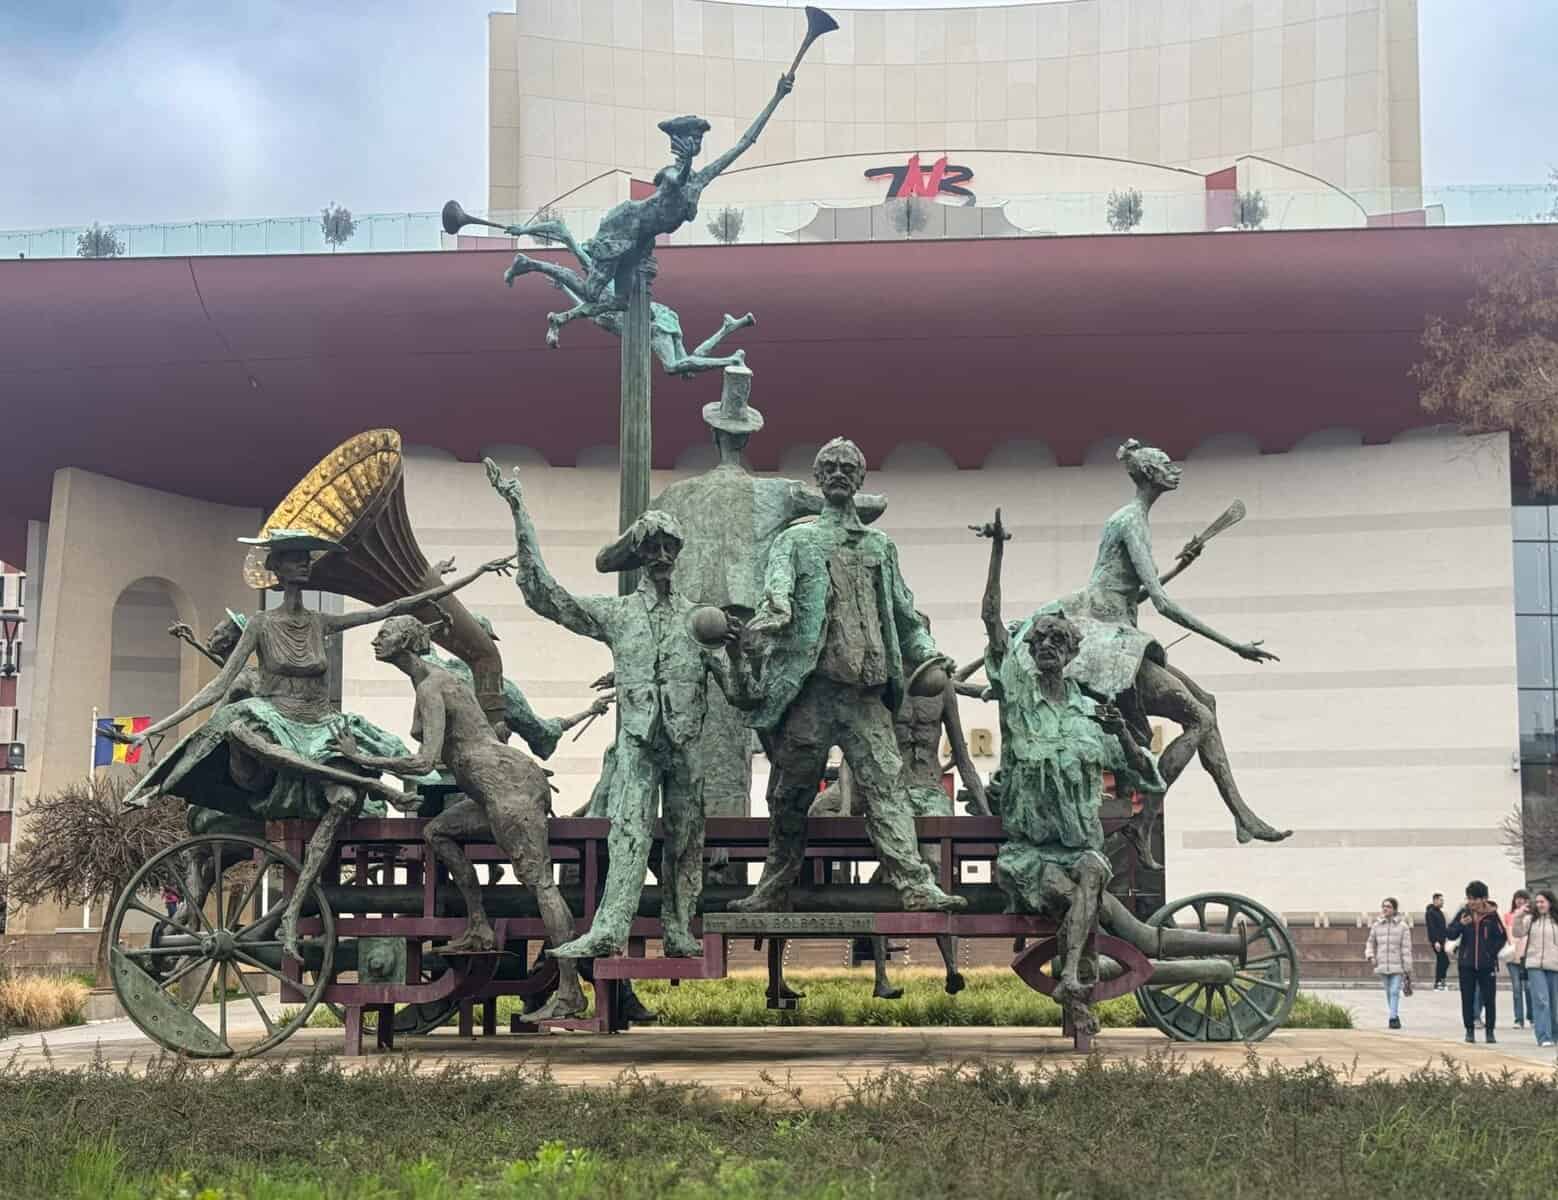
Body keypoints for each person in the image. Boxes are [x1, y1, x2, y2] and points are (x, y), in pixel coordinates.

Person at [126, 530, 511, 961]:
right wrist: (151, 731)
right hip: (275, 720)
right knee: (240, 732)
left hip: (322, 726)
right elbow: (219, 686)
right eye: (295, 558)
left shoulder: (320, 622)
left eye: (306, 558)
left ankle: (293, 911)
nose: (304, 564)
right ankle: (302, 894)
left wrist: (470, 577)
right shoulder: (261, 625)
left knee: (344, 798)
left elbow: (393, 608)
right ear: (277, 569)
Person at [488, 461, 751, 958]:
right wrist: (519, 510)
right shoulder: (620, 614)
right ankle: (610, 929)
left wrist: (736, 654)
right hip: (638, 742)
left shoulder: (701, 621)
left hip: (685, 743)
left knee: (686, 838)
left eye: (669, 547)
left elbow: (741, 696)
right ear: (638, 556)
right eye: (652, 547)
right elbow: (547, 597)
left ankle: (679, 929)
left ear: (678, 553)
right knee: (628, 832)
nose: (662, 556)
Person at [730, 437, 966, 916]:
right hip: (812, 694)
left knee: (887, 789)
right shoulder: (796, 541)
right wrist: (772, 618)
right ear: (819, 478)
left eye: (847, 467)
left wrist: (928, 654)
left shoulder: (881, 546)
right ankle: (772, 889)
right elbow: (777, 595)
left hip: (865, 697)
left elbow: (904, 615)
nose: (838, 473)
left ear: (860, 479)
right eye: (830, 467)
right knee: (790, 795)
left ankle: (915, 886)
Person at [1035, 439, 1286, 854]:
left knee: (1207, 702)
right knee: (1200, 717)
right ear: (1150, 474)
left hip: (1118, 633)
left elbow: (1128, 591)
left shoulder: (1131, 520)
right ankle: (1146, 818)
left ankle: (1240, 813)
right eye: (1167, 465)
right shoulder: (1130, 520)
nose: (1176, 470)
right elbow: (1162, 605)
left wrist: (1179, 566)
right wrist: (1233, 645)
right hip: (1110, 644)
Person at [332, 615, 588, 1021]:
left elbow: (425, 762)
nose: (375, 641)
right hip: (491, 788)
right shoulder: (433, 681)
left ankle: (571, 992)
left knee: (541, 884)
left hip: (505, 785)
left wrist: (361, 757)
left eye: (384, 634)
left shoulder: (433, 685)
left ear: (406, 641)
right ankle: (478, 924)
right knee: (437, 832)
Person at [974, 508, 1166, 1031]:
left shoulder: (1090, 716)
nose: (1048, 648)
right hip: (1030, 855)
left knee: (1092, 873)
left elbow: (1147, 776)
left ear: (1072, 653)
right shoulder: (1018, 699)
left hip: (1080, 852)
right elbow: (991, 621)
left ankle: (1073, 987)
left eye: (1058, 642)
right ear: (1031, 651)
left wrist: (1122, 733)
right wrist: (997, 550)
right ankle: (1077, 990)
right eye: (1040, 642)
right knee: (1078, 895)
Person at [1445, 879, 1507, 1044]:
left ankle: (1490, 1032)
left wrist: (1490, 953)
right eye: (1469, 898)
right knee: (1467, 998)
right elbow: (1450, 933)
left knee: (1489, 999)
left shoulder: (1492, 916)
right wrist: (1460, 925)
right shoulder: (1464, 913)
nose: (1471, 902)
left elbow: (1502, 937)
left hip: (1487, 965)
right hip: (1466, 964)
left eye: (1474, 898)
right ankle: (1469, 1031)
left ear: (1484, 898)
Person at [1364, 897, 1414, 1029]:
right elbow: (1370, 942)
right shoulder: (1377, 925)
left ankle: (1393, 1018)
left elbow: (1406, 948)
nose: (1385, 909)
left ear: (1395, 909)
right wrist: (1370, 955)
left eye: (1388, 906)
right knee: (1388, 992)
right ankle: (1394, 1014)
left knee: (1394, 991)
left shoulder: (1403, 927)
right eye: (1384, 906)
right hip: (1382, 964)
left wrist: (1407, 967)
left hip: (1397, 965)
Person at [1521, 889, 1558, 1049]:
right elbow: (1517, 932)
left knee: (1554, 1003)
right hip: (1535, 965)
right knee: (1541, 1001)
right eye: (1537, 902)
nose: (1539, 905)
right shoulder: (1530, 919)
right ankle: (1543, 1036)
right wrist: (1518, 916)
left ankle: (1554, 1035)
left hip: (1555, 965)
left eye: (1542, 901)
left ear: (1550, 902)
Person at [1505, 888, 1533, 1029]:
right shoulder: (1508, 915)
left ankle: (1532, 1017)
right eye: (1517, 898)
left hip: (1527, 957)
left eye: (1523, 898)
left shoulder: (1532, 916)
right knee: (1516, 989)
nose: (1520, 901)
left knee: (1528, 988)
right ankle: (1518, 1019)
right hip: (1512, 956)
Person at [1424, 893, 1451, 990]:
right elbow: (1431, 928)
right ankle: (1438, 982)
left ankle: (1441, 982)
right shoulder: (1430, 912)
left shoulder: (1439, 912)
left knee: (1443, 961)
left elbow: (1442, 927)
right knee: (1444, 961)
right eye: (1441, 900)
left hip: (1442, 941)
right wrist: (1435, 941)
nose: (1442, 902)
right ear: (1435, 900)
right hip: (1437, 942)